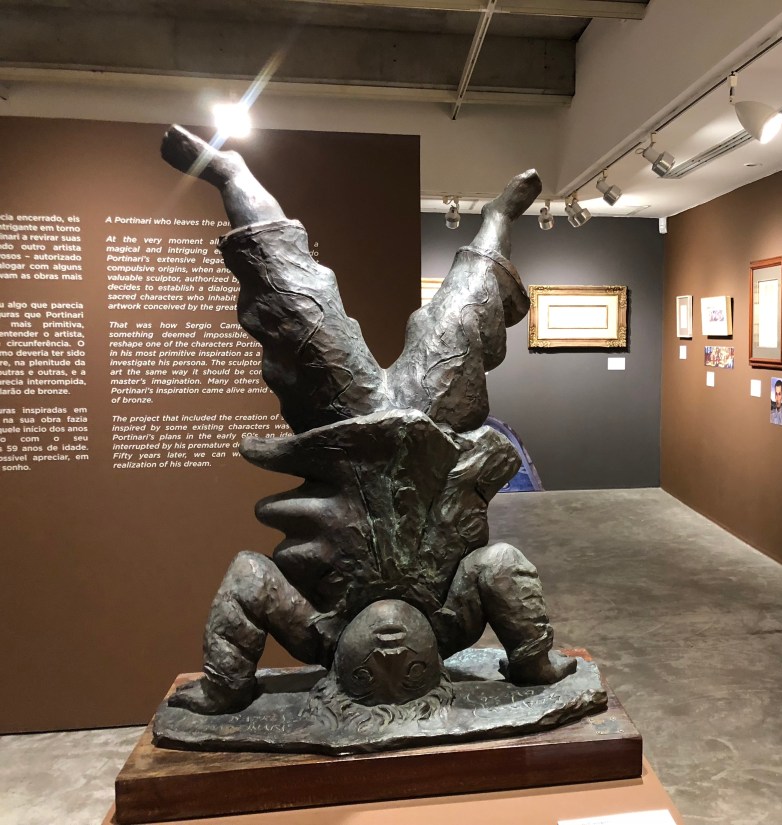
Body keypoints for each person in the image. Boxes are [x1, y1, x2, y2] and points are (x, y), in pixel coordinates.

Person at [159, 125, 576, 714]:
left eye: (371, 674)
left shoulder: (318, 633)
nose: (389, 650)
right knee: (462, 315)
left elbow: (251, 579)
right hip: (434, 437)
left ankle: (232, 174)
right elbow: (499, 566)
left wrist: (226, 685)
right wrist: (533, 661)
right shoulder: (451, 621)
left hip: (342, 432)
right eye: (411, 673)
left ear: (343, 674)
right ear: (432, 666)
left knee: (297, 306)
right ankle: (496, 222)